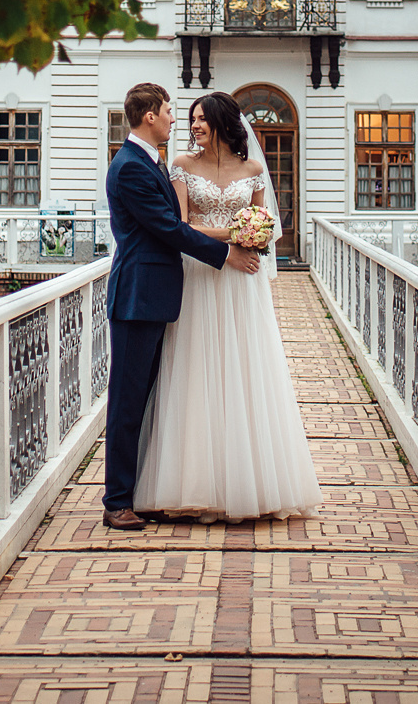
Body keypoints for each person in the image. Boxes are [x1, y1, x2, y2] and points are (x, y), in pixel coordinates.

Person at [132, 90, 323, 522]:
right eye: (190, 118)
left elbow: (266, 226)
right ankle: (195, 482)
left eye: (200, 118)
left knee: (244, 368)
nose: (193, 125)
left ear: (221, 122)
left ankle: (249, 482)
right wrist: (233, 236)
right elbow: (181, 226)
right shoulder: (181, 166)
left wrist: (251, 235)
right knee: (197, 369)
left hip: (242, 281)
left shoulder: (254, 169)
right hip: (200, 273)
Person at [101, 81, 261, 531]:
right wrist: (227, 252)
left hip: (155, 295)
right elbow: (171, 228)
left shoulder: (146, 160)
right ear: (149, 115)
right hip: (138, 297)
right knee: (128, 403)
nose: (177, 119)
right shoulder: (131, 167)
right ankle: (117, 502)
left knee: (147, 399)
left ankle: (136, 492)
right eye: (170, 111)